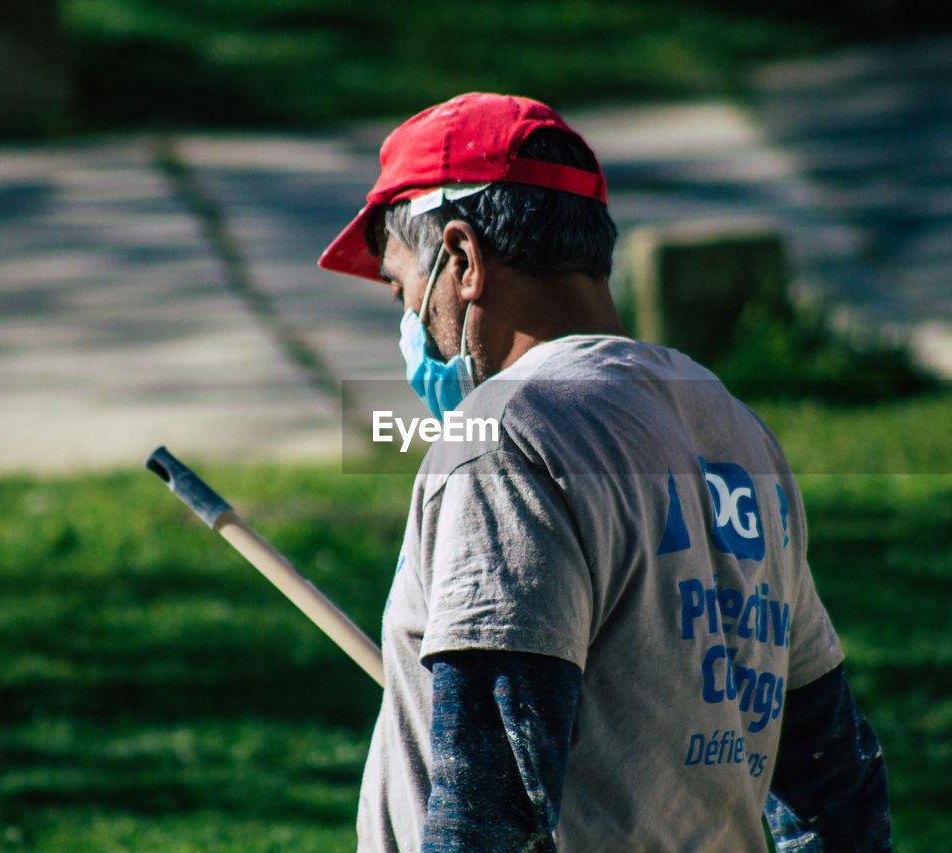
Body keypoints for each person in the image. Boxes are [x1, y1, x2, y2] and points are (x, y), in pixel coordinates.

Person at [319, 92, 891, 852]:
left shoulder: (504, 439)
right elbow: (828, 777)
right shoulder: (731, 426)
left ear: (459, 259)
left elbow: (492, 804)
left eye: (400, 290)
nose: (406, 327)